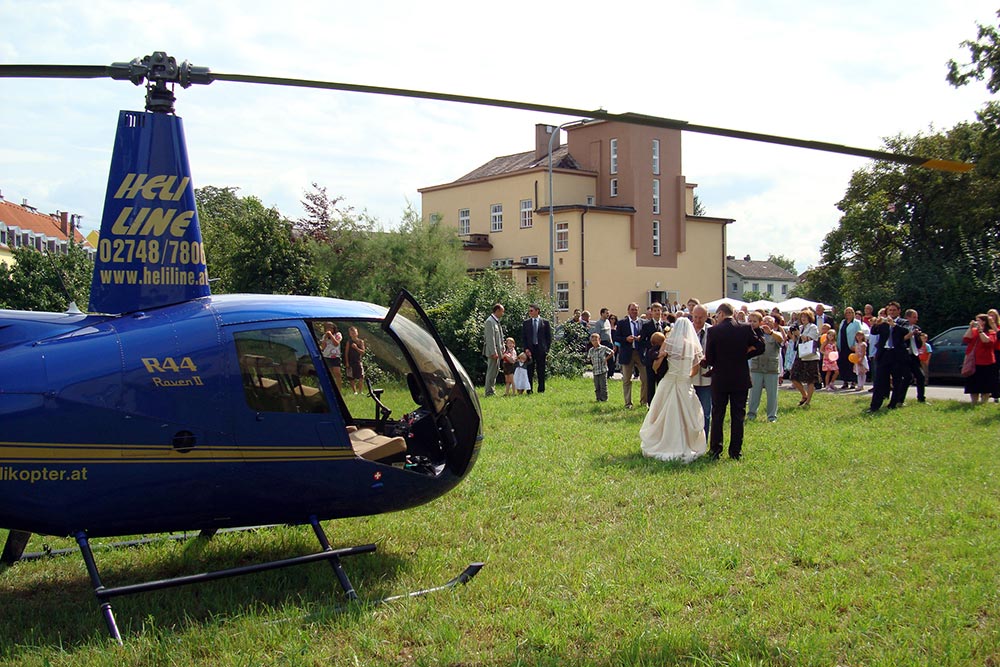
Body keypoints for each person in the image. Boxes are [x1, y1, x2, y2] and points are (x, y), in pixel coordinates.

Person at [639, 317, 707, 463]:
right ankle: (688, 442)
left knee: (661, 412)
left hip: (669, 380)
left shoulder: (668, 343)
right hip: (684, 382)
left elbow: (656, 366)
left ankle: (664, 440)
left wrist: (661, 357)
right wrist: (685, 376)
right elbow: (695, 369)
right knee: (687, 413)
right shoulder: (693, 346)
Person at [704, 302, 765, 460]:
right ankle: (735, 451)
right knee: (738, 416)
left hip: (720, 377)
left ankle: (716, 449)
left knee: (718, 414)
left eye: (716, 316)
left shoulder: (713, 331)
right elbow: (760, 346)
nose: (716, 318)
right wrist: (745, 355)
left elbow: (710, 358)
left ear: (721, 314)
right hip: (740, 376)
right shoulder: (745, 328)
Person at [867, 301, 911, 412]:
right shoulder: (884, 322)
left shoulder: (903, 322)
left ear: (899, 311)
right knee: (879, 380)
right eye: (890, 310)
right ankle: (874, 406)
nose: (892, 312)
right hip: (884, 353)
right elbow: (874, 332)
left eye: (894, 310)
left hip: (897, 354)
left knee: (897, 380)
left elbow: (905, 332)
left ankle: (893, 403)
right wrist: (877, 323)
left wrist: (894, 325)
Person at [747, 313, 784, 423]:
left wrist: (771, 333)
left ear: (774, 324)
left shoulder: (776, 334)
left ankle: (772, 416)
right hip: (756, 366)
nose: (767, 323)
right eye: (765, 321)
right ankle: (751, 414)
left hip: (771, 368)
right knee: (754, 393)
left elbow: (781, 340)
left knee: (772, 394)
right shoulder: (756, 334)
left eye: (770, 322)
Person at [788, 309, 821, 406]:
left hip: (811, 356)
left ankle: (808, 402)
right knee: (793, 376)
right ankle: (804, 394)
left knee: (810, 380)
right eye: (802, 317)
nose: (803, 319)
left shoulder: (813, 327)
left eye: (805, 317)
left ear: (809, 318)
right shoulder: (801, 327)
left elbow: (809, 339)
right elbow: (795, 341)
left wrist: (800, 334)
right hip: (800, 354)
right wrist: (793, 333)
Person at [962, 314, 997, 404]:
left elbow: (987, 341)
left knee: (986, 384)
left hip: (986, 362)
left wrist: (981, 331)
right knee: (973, 384)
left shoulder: (991, 332)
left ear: (984, 322)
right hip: (973, 361)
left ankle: (984, 402)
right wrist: (970, 328)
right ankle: (973, 401)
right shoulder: (973, 331)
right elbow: (966, 339)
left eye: (979, 320)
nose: (976, 322)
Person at [616, 302, 645, 409]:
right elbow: (616, 337)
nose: (634, 311)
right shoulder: (622, 323)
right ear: (628, 311)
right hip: (627, 352)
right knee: (627, 379)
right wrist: (626, 339)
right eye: (632, 309)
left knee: (645, 378)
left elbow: (646, 337)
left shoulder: (643, 322)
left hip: (640, 353)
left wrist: (641, 337)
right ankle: (628, 403)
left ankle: (644, 401)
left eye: (636, 309)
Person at [690, 304, 713, 437]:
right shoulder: (687, 330)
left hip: (706, 378)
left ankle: (703, 438)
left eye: (701, 317)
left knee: (705, 412)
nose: (698, 320)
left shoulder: (712, 331)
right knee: (689, 411)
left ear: (707, 316)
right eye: (695, 317)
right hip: (689, 378)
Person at [639, 302, 667, 405]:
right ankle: (650, 405)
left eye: (659, 310)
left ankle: (661, 404)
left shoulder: (665, 325)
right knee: (650, 383)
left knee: (662, 382)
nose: (657, 313)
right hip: (651, 358)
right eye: (655, 311)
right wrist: (653, 344)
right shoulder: (647, 325)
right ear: (651, 312)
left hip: (663, 359)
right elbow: (641, 341)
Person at [521, 304, 551, 393]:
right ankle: (529, 389)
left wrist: (546, 350)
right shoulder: (526, 323)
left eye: (531, 310)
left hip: (541, 349)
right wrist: (526, 349)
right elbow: (524, 337)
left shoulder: (545, 322)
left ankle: (541, 389)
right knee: (529, 370)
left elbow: (548, 338)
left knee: (541, 370)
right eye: (529, 311)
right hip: (530, 349)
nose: (529, 312)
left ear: (537, 311)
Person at [902, 309, 926, 403]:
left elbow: (919, 345)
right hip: (905, 355)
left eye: (916, 317)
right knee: (907, 378)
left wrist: (918, 336)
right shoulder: (903, 327)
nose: (916, 319)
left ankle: (921, 399)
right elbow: (901, 339)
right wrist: (911, 334)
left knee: (921, 376)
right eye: (914, 317)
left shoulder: (917, 328)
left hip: (914, 355)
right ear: (907, 317)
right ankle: (900, 400)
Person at [483, 303, 505, 397]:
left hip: (498, 352)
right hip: (493, 352)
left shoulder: (496, 321)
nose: (503, 313)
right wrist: (493, 352)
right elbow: (490, 338)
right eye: (502, 311)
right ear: (497, 311)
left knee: (495, 372)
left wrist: (502, 347)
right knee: (491, 372)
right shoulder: (490, 321)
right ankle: (488, 392)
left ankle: (492, 390)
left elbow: (499, 336)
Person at [585, 333, 615, 402]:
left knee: (603, 385)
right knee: (597, 386)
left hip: (602, 370)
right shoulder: (591, 350)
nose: (595, 342)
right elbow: (588, 358)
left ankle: (604, 398)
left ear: (599, 340)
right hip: (595, 370)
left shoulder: (603, 348)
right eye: (593, 340)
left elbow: (612, 352)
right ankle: (598, 398)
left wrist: (606, 359)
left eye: (596, 340)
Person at [836, 306, 861, 389]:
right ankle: (845, 381)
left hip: (851, 346)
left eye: (850, 312)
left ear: (853, 313)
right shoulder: (843, 322)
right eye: (847, 312)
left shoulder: (856, 323)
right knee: (843, 364)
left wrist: (856, 345)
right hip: (843, 346)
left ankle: (853, 381)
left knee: (852, 364)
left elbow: (859, 334)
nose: (848, 314)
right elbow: (840, 333)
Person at [319, 322, 343, 389]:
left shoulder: (338, 334)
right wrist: (325, 338)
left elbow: (336, 344)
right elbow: (323, 347)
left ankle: (339, 389)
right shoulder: (324, 336)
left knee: (337, 373)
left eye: (330, 328)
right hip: (326, 356)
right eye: (327, 328)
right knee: (329, 374)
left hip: (335, 356)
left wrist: (331, 335)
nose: (329, 329)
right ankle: (331, 388)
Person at [347, 326, 366, 395]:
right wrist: (347, 362)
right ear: (350, 334)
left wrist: (356, 348)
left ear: (357, 333)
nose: (353, 334)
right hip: (351, 362)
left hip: (358, 361)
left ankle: (360, 391)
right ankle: (355, 391)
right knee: (351, 377)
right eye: (351, 333)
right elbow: (346, 353)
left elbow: (363, 352)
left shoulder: (361, 342)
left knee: (361, 376)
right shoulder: (349, 342)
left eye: (354, 332)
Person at [821, 324, 839, 390]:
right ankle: (827, 385)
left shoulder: (834, 342)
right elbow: (821, 349)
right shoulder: (825, 342)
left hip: (833, 359)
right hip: (827, 359)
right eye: (829, 335)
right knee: (828, 372)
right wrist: (825, 353)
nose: (831, 337)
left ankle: (832, 382)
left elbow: (835, 349)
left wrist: (835, 354)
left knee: (836, 372)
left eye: (832, 336)